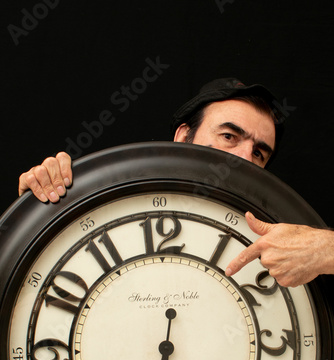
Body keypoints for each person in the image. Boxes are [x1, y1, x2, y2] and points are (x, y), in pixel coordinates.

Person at [18, 77, 334, 288]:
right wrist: (43, 205)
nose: (243, 158)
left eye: (259, 152)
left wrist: (325, 249)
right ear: (184, 137)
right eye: (228, 136)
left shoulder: (284, 239)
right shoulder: (113, 207)